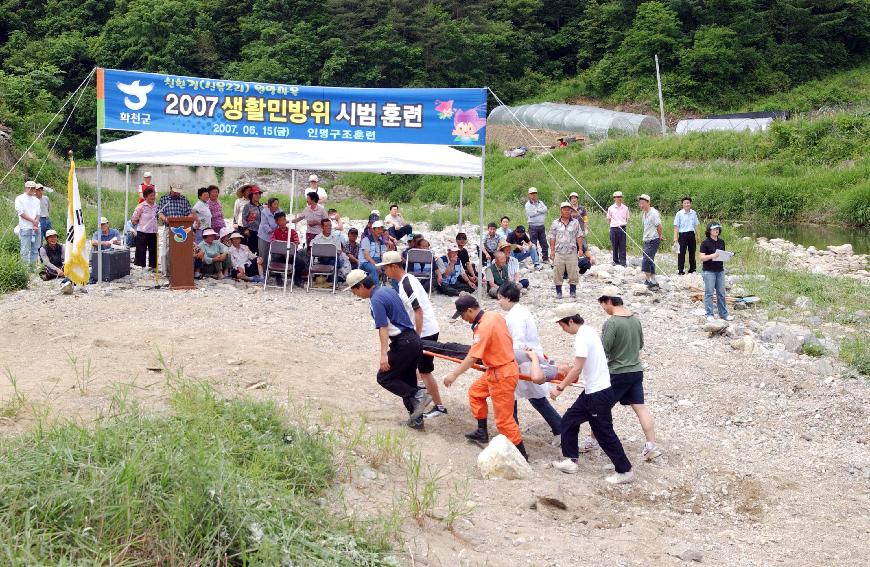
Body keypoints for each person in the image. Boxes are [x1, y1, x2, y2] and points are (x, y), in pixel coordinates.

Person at [549, 303, 634, 484]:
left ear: (571, 321)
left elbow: (577, 369)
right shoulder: (588, 331)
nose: (562, 329)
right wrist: (568, 367)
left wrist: (559, 387)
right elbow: (582, 364)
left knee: (603, 432)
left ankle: (625, 471)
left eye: (562, 325)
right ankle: (571, 460)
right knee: (569, 420)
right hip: (593, 390)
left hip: (598, 393)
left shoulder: (581, 337)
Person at [443, 294, 528, 460]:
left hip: (501, 373)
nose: (463, 319)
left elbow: (472, 357)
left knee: (504, 420)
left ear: (469, 310)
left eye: (462, 315)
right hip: (498, 368)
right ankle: (482, 431)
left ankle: (522, 455)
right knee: (475, 392)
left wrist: (453, 375)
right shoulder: (494, 316)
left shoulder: (483, 327)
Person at [347, 269, 431, 429]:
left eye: (353, 289)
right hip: (413, 340)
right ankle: (416, 420)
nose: (354, 294)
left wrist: (383, 355)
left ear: (361, 286)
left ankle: (418, 395)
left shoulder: (376, 299)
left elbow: (383, 328)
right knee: (406, 380)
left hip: (403, 343)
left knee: (384, 377)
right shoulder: (387, 290)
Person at [378, 251, 448, 420]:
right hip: (426, 330)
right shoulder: (406, 281)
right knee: (421, 370)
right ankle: (428, 401)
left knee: (424, 371)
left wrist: (416, 336)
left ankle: (435, 404)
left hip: (425, 331)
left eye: (385, 268)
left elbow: (418, 310)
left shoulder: (406, 283)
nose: (384, 271)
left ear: (394, 266)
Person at [595, 286, 661, 460]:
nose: (603, 309)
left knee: (600, 407)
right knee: (640, 407)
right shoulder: (635, 320)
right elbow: (640, 345)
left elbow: (604, 349)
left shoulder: (612, 323)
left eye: (603, 304)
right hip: (636, 370)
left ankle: (592, 440)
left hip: (618, 372)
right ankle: (651, 445)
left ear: (608, 300)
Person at [496, 282, 562, 445]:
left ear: (508, 298)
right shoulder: (519, 312)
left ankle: (513, 433)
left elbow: (518, 343)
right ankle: (557, 428)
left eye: (500, 299)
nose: (499, 302)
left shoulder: (515, 317)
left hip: (523, 360)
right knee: (529, 397)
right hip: (526, 358)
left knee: (519, 397)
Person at [548, 201, 583, 299]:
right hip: (559, 252)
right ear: (561, 210)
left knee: (573, 272)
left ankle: (573, 291)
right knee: (557, 272)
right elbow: (552, 237)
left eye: (568, 209)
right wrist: (552, 250)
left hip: (571, 251)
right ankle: (559, 292)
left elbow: (579, 235)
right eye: (564, 209)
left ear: (571, 211)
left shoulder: (575, 222)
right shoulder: (555, 223)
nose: (567, 211)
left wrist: (580, 249)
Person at [699, 222, 733, 322]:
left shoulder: (721, 242)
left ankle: (724, 314)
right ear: (709, 230)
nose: (716, 230)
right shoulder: (705, 243)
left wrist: (727, 256)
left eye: (718, 228)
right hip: (709, 271)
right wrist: (712, 256)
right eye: (714, 229)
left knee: (721, 293)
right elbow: (702, 258)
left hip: (720, 270)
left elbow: (722, 255)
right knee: (709, 293)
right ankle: (709, 314)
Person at [270, 212, 307, 286]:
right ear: (276, 222)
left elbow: (296, 243)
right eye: (280, 220)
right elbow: (273, 244)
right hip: (279, 255)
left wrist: (290, 252)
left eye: (284, 219)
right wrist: (283, 252)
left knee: (300, 262)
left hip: (291, 254)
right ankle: (278, 278)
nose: (283, 222)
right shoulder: (274, 233)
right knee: (275, 258)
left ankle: (297, 279)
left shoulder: (292, 232)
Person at [638, 194, 663, 290]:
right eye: (640, 203)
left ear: (648, 202)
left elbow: (659, 226)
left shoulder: (653, 213)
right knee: (650, 259)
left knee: (646, 260)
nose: (641, 205)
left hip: (653, 240)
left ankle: (648, 280)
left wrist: (660, 236)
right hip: (647, 240)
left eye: (643, 203)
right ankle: (653, 280)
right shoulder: (644, 213)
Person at [131, 187, 158, 269]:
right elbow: (134, 219)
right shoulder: (141, 206)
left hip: (153, 232)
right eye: (151, 195)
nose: (153, 197)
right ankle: (141, 267)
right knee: (141, 250)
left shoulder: (156, 206)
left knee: (153, 250)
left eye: (154, 195)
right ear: (146, 197)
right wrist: (141, 225)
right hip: (142, 232)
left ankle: (152, 267)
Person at [15, 180, 41, 264]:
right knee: (25, 250)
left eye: (33, 188)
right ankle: (25, 270)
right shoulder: (19, 198)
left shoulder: (36, 200)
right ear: (26, 188)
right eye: (30, 188)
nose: (32, 189)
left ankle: (32, 268)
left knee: (35, 249)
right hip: (25, 227)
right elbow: (21, 213)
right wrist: (33, 221)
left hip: (36, 227)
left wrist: (36, 221)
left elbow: (38, 213)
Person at [673, 196, 700, 275]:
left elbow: (696, 225)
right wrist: (675, 238)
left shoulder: (693, 213)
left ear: (690, 204)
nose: (686, 204)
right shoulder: (679, 214)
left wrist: (698, 236)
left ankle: (692, 269)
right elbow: (676, 226)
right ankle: (680, 270)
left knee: (692, 252)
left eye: (688, 203)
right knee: (681, 253)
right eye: (685, 203)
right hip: (682, 235)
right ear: (682, 204)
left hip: (691, 234)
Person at [524, 187, 549, 263]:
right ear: (529, 195)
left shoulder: (540, 202)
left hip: (541, 226)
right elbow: (531, 214)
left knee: (544, 243)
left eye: (535, 193)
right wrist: (540, 211)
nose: (533, 195)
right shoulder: (527, 204)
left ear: (537, 194)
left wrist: (536, 210)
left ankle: (545, 258)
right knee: (533, 244)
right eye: (532, 194)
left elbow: (545, 209)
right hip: (533, 226)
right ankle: (536, 259)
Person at [358, 220, 387, 285]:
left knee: (392, 267)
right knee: (374, 269)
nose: (380, 231)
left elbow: (382, 255)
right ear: (373, 230)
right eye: (378, 229)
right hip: (365, 262)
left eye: (381, 229)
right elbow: (366, 256)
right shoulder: (366, 239)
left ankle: (397, 289)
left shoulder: (381, 241)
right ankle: (376, 289)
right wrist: (376, 265)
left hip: (377, 260)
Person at [607, 191, 629, 267]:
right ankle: (615, 261)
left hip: (622, 227)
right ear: (614, 198)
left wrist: (622, 224)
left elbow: (627, 219)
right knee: (614, 245)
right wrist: (613, 226)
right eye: (617, 197)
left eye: (620, 197)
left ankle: (623, 262)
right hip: (613, 228)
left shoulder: (626, 208)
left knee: (622, 245)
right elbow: (609, 219)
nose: (619, 198)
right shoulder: (610, 208)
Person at [242, 187, 264, 253]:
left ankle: (259, 262)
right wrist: (246, 229)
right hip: (251, 231)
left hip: (260, 231)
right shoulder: (247, 206)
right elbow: (244, 218)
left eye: (259, 194)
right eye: (256, 194)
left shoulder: (261, 206)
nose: (258, 196)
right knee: (251, 250)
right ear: (251, 195)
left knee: (259, 249)